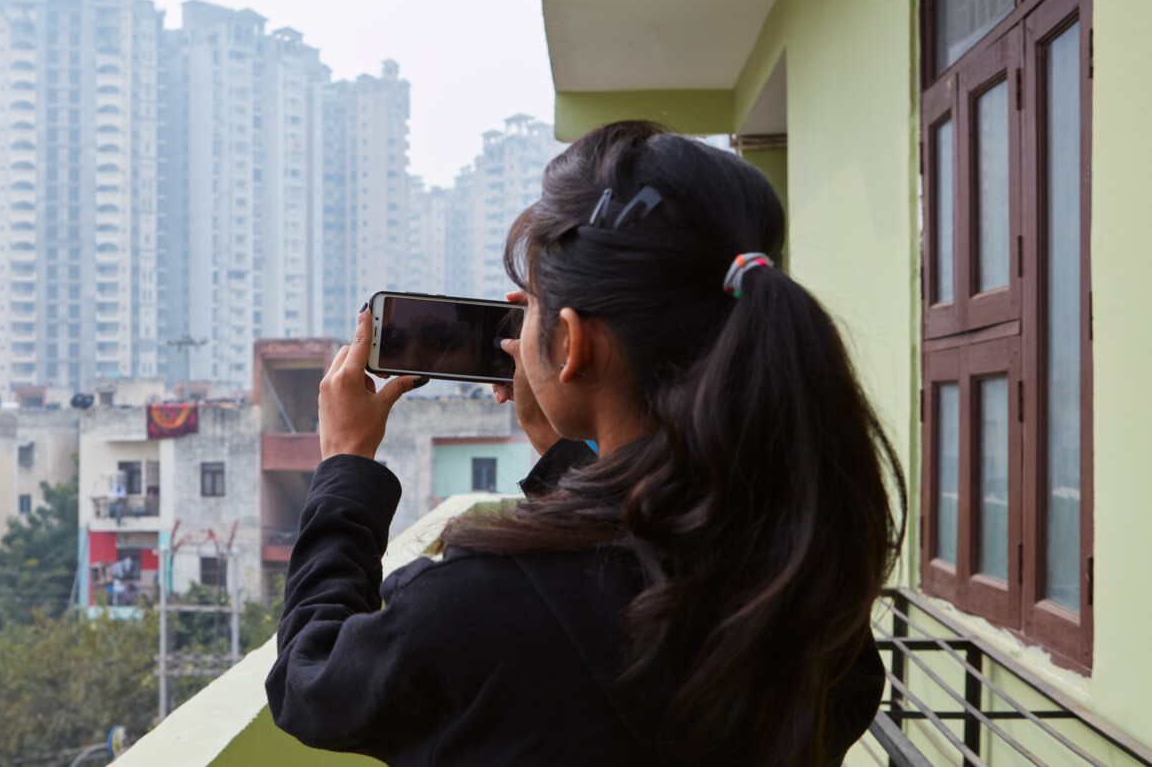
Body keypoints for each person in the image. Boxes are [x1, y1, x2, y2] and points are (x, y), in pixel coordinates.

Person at [266, 122, 904, 767]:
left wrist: (345, 466)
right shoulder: (801, 567)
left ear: (573, 344)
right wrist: (556, 449)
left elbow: (308, 683)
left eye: (535, 307)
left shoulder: (478, 604)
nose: (522, 323)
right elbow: (621, 566)